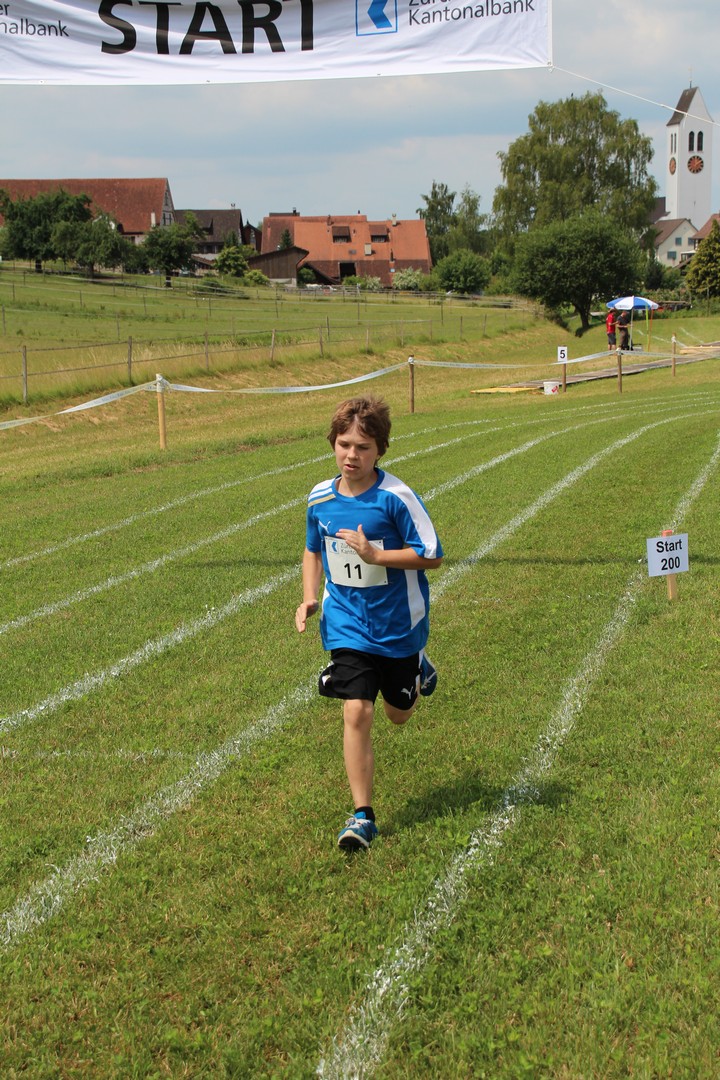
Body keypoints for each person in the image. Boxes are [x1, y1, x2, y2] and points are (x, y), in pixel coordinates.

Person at [295, 396, 444, 851]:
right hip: (346, 622)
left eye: (363, 447)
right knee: (356, 710)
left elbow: (432, 555)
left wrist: (377, 556)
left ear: (380, 449)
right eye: (344, 445)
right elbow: (313, 550)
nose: (351, 456)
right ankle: (362, 817)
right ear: (333, 444)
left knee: (398, 715)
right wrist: (309, 597)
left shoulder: (395, 498)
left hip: (398, 625)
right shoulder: (320, 498)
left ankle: (417, 668)